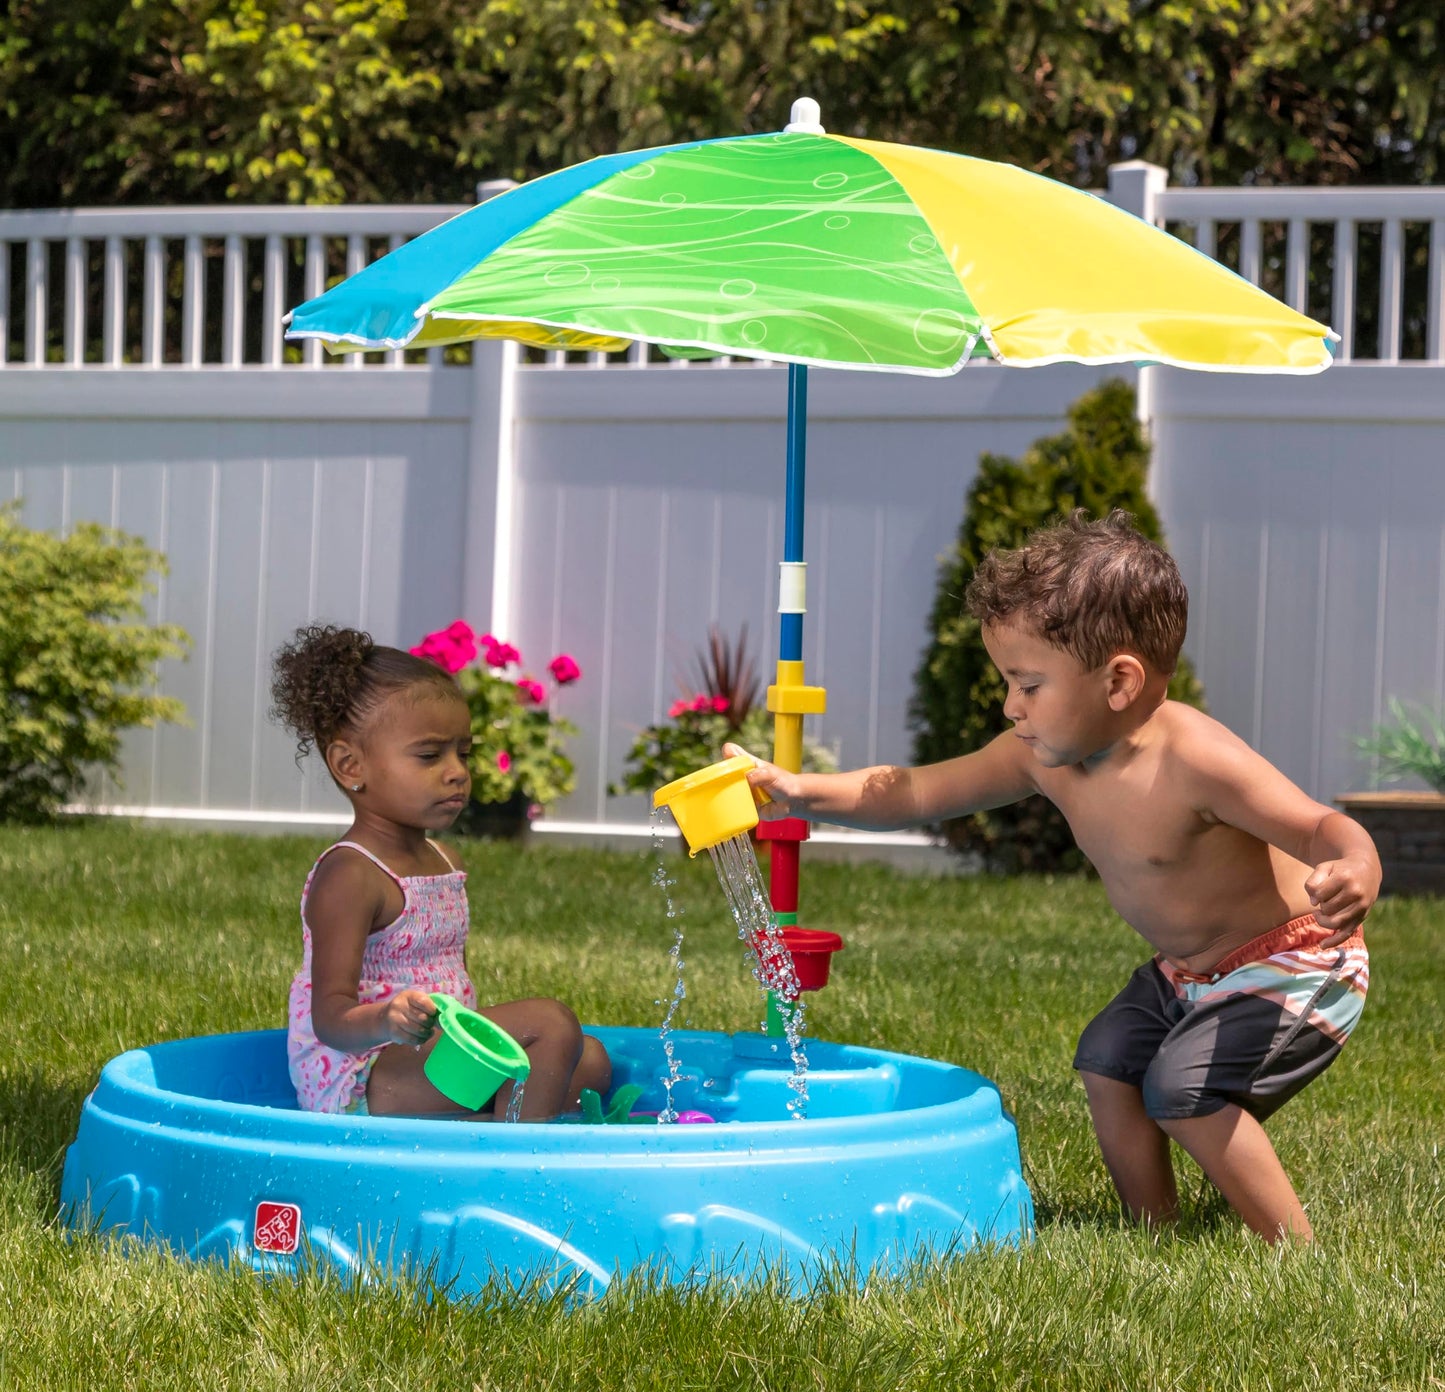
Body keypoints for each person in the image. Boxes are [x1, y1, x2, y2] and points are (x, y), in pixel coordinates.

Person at [733, 509, 1379, 1243]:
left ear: (1117, 681)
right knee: (1108, 1055)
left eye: (1027, 683)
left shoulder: (1195, 760)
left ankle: (1294, 1250)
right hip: (1189, 971)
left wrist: (1355, 864)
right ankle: (1153, 1232)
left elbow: (1317, 825)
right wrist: (800, 789)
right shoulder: (1039, 757)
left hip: (1295, 960)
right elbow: (915, 789)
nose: (1010, 705)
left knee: (1182, 1088)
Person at [270, 623, 611, 1121]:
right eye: (430, 755)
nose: (456, 771)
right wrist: (386, 1019)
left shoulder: (447, 862)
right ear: (350, 766)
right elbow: (330, 1018)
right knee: (552, 1024)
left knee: (592, 1059)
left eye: (463, 753)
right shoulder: (351, 874)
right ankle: (511, 1162)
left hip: (435, 1062)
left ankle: (489, 1126)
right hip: (366, 1077)